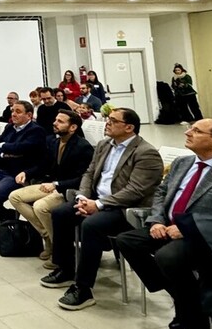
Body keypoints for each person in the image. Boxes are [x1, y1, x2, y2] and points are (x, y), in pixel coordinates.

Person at [114, 120, 212, 329]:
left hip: (207, 240)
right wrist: (156, 220)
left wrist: (189, 229)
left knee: (168, 257)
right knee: (127, 241)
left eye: (196, 131)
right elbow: (162, 194)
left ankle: (197, 320)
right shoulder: (182, 163)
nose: (187, 132)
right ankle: (183, 301)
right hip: (167, 227)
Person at [41, 108, 163, 310]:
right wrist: (83, 197)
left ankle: (83, 288)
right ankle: (66, 269)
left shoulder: (145, 152)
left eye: (113, 120)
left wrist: (98, 205)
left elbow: (136, 190)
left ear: (129, 127)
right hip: (95, 200)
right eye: (108, 119)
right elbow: (89, 173)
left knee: (91, 225)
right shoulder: (104, 144)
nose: (107, 122)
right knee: (60, 213)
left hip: (125, 208)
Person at [8, 110, 94, 266]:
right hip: (51, 185)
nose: (55, 123)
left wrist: (56, 185)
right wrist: (26, 173)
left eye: (60, 121)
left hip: (69, 189)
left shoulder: (83, 147)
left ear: (73, 127)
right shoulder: (54, 142)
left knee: (40, 207)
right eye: (55, 120)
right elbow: (44, 165)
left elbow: (84, 178)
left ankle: (59, 250)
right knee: (14, 196)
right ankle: (49, 238)